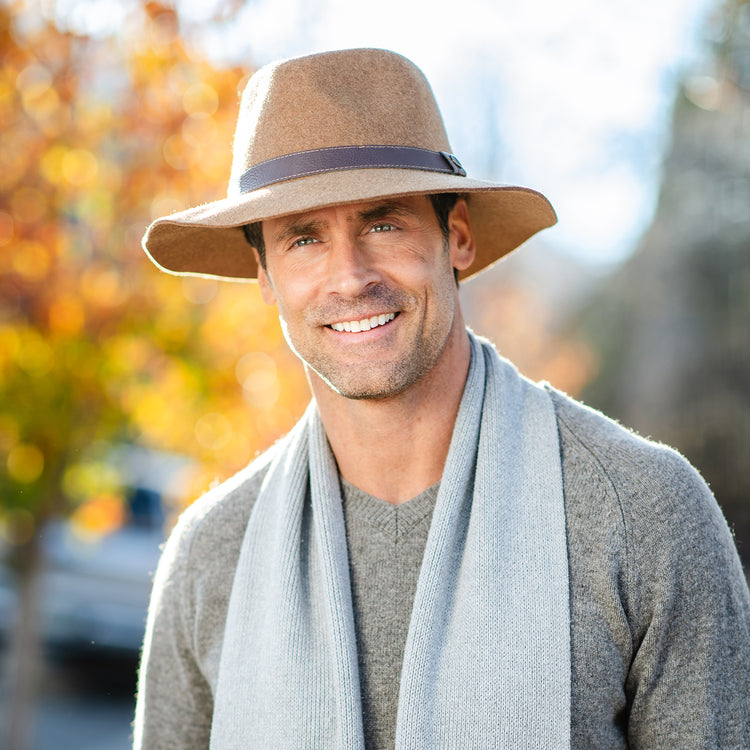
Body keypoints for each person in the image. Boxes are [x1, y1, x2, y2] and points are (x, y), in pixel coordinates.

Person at [133, 48, 750, 749]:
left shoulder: (644, 514)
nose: (349, 276)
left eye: (383, 222)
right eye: (303, 238)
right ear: (266, 276)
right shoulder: (213, 554)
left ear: (456, 236)